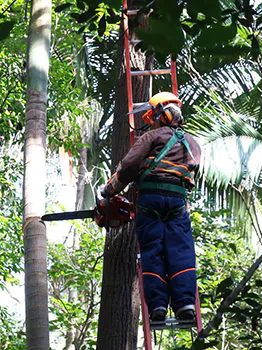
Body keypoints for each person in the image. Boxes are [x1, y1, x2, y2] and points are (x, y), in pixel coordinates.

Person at [101, 92, 201, 322]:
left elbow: (128, 167)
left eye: (154, 116)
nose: (152, 121)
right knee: (181, 252)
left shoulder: (151, 137)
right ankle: (185, 304)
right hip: (177, 202)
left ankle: (157, 307)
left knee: (152, 251)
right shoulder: (193, 144)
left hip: (150, 200)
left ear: (162, 114)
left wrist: (109, 190)